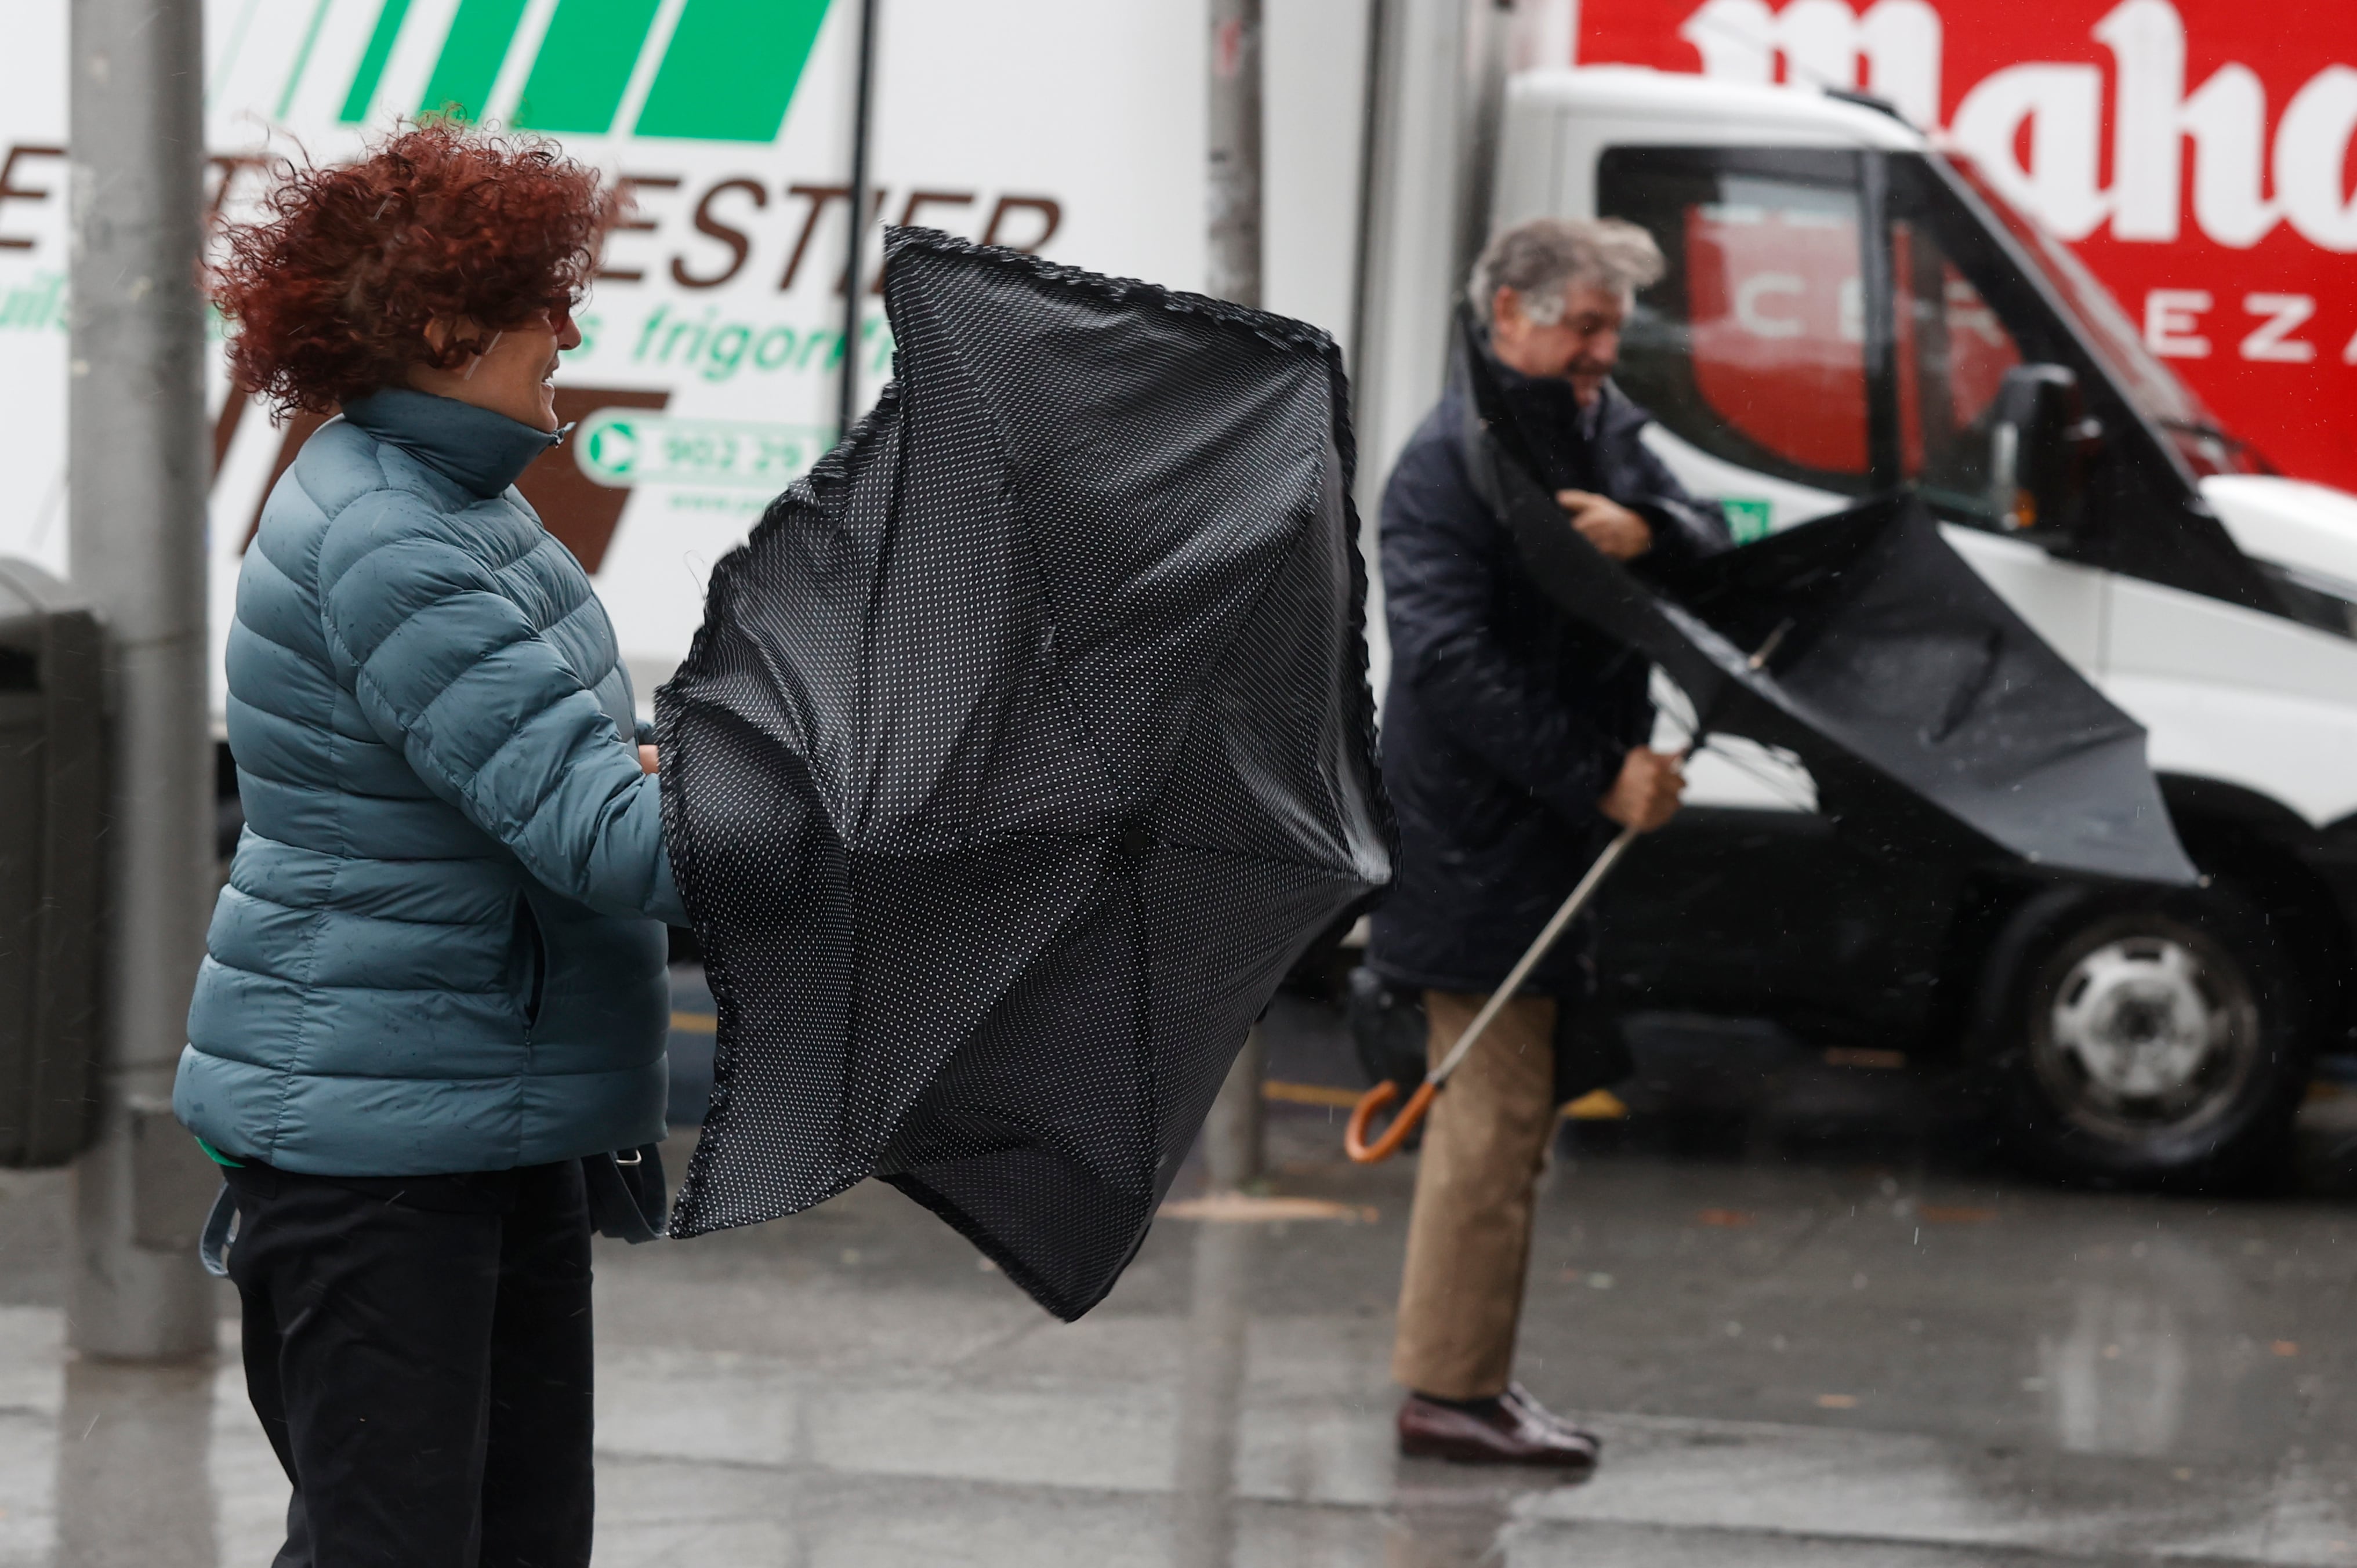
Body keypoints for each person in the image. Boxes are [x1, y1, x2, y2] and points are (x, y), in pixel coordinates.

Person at [176, 124, 681, 1565]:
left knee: (506, 1542)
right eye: (543, 298)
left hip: (473, 1112)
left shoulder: (464, 505)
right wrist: (820, 798)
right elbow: (604, 832)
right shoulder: (394, 537)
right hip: (378, 1147)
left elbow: (571, 759)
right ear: (446, 323)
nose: (569, 328)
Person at [1366, 217, 1730, 1469]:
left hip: (1544, 839)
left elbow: (1709, 529)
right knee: (1494, 1116)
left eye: (1612, 332)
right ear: (1509, 314)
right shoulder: (1439, 467)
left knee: (1510, 1119)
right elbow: (1451, 668)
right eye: (1582, 327)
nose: (1601, 354)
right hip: (1473, 842)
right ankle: (1448, 1391)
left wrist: (1653, 534)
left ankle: (1471, 1380)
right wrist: (1600, 776)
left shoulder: (1596, 422)